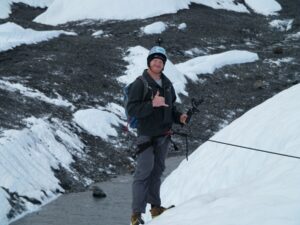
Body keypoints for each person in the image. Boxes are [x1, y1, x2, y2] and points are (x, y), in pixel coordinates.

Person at [126, 46, 188, 225]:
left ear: (164, 64)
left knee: (157, 171)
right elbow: (132, 109)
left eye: (161, 60)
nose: (157, 62)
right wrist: (152, 104)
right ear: (149, 62)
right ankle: (136, 215)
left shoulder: (167, 84)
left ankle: (155, 208)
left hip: (164, 135)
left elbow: (171, 107)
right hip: (146, 136)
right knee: (143, 173)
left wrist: (180, 117)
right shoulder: (140, 83)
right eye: (155, 59)